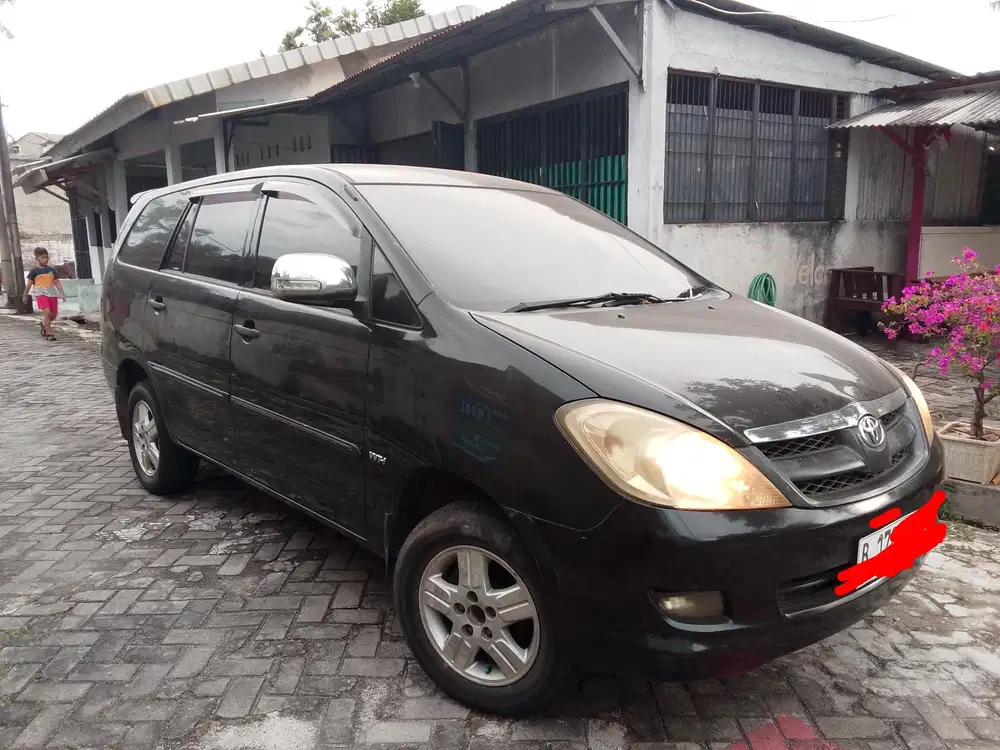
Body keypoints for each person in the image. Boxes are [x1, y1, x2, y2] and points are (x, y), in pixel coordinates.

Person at [23, 247, 67, 341]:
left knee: (53, 315)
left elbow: (57, 283)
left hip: (52, 295)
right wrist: (25, 295)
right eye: (43, 257)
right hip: (40, 295)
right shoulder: (34, 271)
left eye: (47, 257)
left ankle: (44, 324)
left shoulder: (52, 270)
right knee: (47, 312)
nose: (45, 259)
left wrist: (62, 294)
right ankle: (48, 334)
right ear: (37, 259)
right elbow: (29, 284)